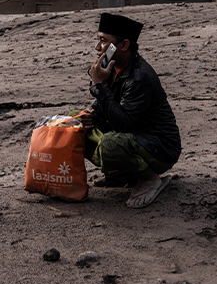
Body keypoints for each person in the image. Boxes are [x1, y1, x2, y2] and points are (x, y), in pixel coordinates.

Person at [78, 12, 182, 208]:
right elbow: (106, 106)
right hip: (133, 137)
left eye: (103, 41)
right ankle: (122, 174)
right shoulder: (111, 67)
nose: (97, 47)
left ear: (124, 45)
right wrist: (88, 114)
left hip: (159, 147)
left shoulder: (140, 76)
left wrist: (99, 85)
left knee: (110, 144)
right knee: (74, 126)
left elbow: (123, 123)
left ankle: (149, 179)